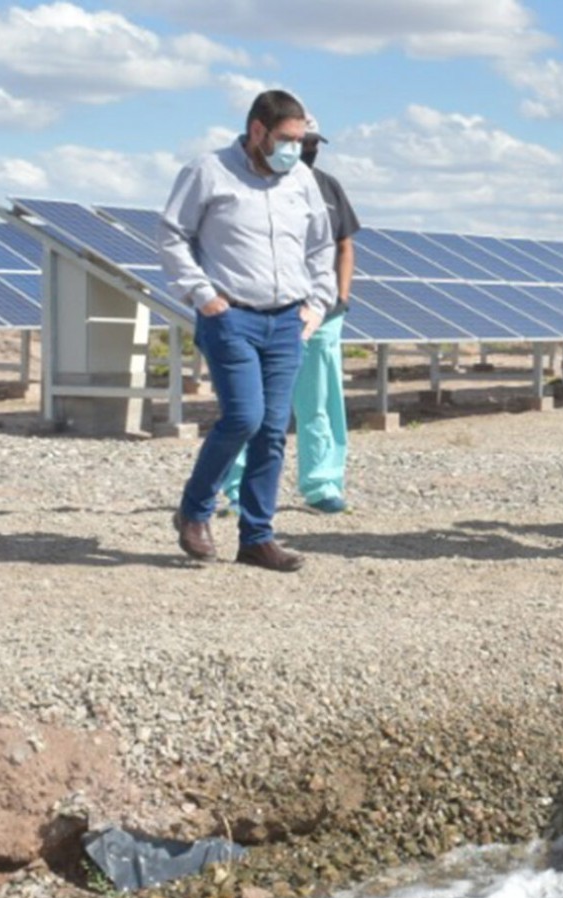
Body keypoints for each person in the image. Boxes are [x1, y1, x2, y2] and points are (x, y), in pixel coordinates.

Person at [160, 90, 336, 572]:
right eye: (285, 139)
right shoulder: (208, 171)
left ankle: (257, 537)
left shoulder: (300, 179)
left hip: (287, 320)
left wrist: (316, 306)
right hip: (230, 315)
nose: (293, 150)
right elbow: (173, 233)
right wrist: (202, 294)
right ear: (257, 130)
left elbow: (321, 245)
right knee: (244, 417)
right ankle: (193, 511)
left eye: (299, 141)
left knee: (274, 431)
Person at [219, 114, 359, 516]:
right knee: (252, 404)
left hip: (321, 315)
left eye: (310, 143)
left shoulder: (328, 187)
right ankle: (236, 487)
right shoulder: (247, 184)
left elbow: (343, 244)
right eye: (295, 140)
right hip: (264, 312)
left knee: (318, 401)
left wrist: (339, 298)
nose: (302, 150)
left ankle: (322, 483)